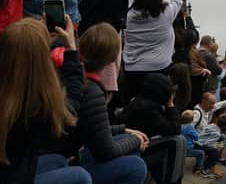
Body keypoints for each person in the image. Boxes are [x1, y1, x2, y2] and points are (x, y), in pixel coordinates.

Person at [0, 17, 90, 184]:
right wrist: (71, 49)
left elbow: (21, 61)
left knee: (57, 161)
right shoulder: (34, 110)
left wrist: (35, 40)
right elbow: (71, 106)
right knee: (80, 177)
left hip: (12, 170)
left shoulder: (12, 100)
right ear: (42, 62)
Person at [56, 22, 148, 184]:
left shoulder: (73, 78)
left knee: (127, 142)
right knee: (137, 166)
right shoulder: (92, 91)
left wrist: (123, 130)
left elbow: (91, 127)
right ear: (113, 58)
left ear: (81, 50)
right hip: (67, 161)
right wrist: (136, 140)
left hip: (62, 155)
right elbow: (105, 152)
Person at [123, 0, 181, 102]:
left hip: (132, 67)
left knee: (134, 102)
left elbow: (126, 0)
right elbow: (177, 1)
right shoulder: (166, 14)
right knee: (155, 103)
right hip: (158, 67)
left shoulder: (128, 16)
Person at [125, 73, 185, 184]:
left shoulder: (144, 101)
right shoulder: (146, 108)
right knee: (177, 141)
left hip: (142, 144)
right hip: (137, 149)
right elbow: (174, 128)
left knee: (179, 140)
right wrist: (171, 106)